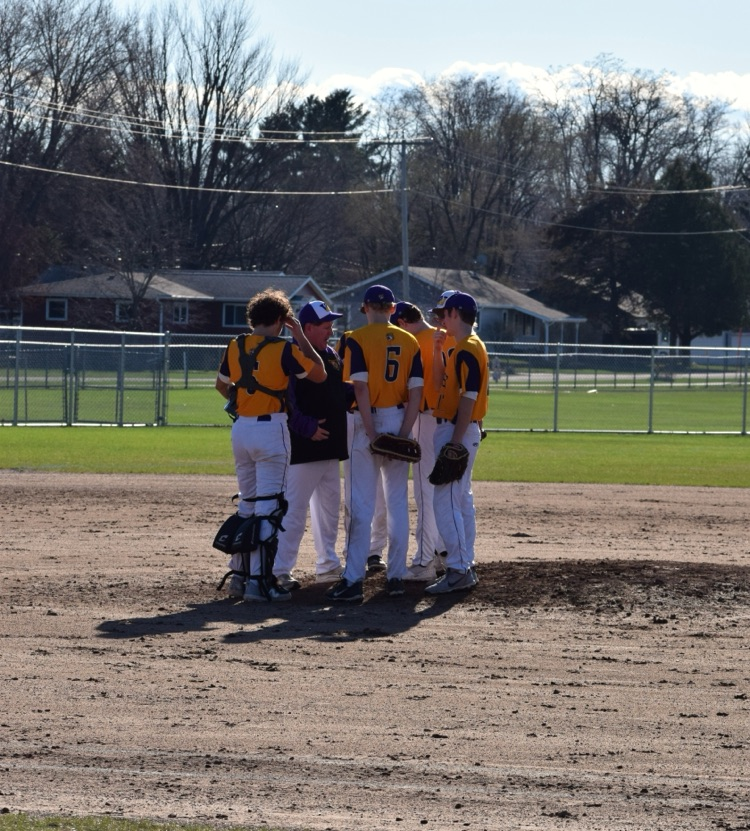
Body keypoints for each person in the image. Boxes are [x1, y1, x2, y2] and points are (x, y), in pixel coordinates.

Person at [214, 289, 326, 602]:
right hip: (271, 430)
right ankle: (259, 583)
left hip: (241, 429)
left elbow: (221, 385)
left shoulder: (235, 344)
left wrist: (243, 402)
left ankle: (239, 576)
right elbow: (319, 373)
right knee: (270, 508)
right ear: (280, 319)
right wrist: (300, 334)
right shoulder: (284, 348)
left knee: (247, 504)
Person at [327, 284, 424, 601]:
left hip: (365, 422)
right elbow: (416, 393)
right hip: (399, 421)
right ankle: (396, 577)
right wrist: (402, 434)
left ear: (366, 308)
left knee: (360, 504)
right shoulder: (410, 341)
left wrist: (371, 433)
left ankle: (353, 580)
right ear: (393, 309)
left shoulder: (355, 338)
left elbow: (361, 390)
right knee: (397, 504)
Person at [273, 300, 350, 589]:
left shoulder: (330, 355)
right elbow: (286, 400)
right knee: (293, 511)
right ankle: (279, 570)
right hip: (305, 447)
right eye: (325, 326)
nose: (330, 330)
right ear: (306, 329)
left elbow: (334, 391)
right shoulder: (293, 354)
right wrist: (306, 427)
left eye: (331, 325)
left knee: (329, 512)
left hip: (331, 448)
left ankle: (328, 566)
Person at [426, 290, 489, 595]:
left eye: (444, 314)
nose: (441, 320)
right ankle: (465, 565)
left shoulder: (467, 349)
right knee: (461, 500)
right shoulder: (464, 347)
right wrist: (438, 350)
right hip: (463, 429)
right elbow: (446, 385)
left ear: (455, 314)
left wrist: (455, 441)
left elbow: (470, 396)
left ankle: (458, 568)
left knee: (446, 500)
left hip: (457, 429)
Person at [389, 300, 446, 582]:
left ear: (402, 322)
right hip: (448, 419)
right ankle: (444, 553)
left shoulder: (414, 342)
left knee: (425, 491)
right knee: (446, 490)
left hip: (426, 417)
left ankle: (424, 561)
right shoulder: (441, 335)